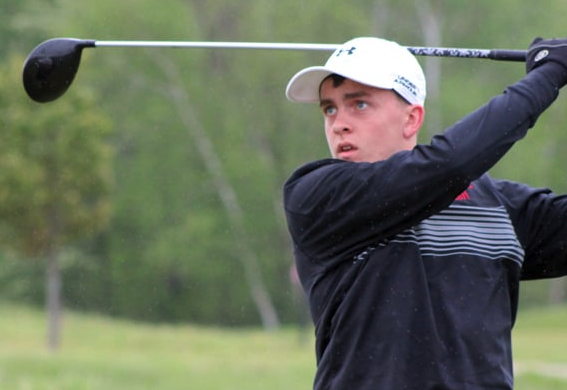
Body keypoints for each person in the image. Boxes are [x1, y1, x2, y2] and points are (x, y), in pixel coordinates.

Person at [282, 36, 567, 390]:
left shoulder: (500, 206)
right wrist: (549, 75)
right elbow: (450, 163)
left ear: (411, 118)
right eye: (329, 109)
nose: (338, 123)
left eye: (359, 105)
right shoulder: (317, 196)